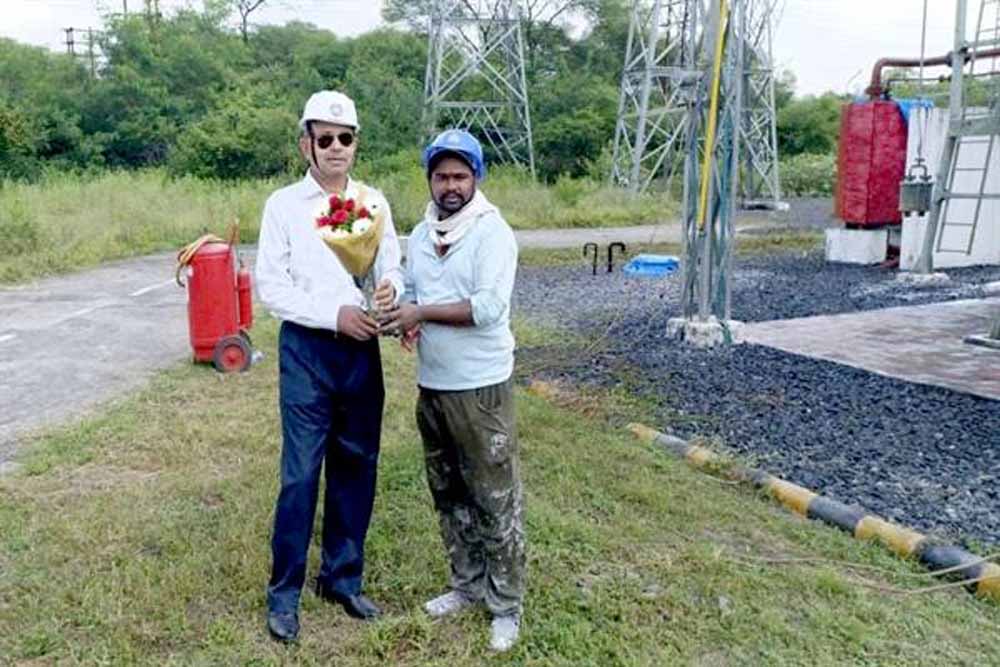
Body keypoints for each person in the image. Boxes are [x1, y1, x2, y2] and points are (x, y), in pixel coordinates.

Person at [255, 90, 403, 642]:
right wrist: (332, 315)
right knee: (300, 474)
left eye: (345, 138)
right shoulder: (284, 206)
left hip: (360, 351)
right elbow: (272, 287)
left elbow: (392, 265)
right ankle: (284, 594)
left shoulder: (371, 202)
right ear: (306, 145)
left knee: (357, 464)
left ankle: (342, 578)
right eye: (325, 138)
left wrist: (390, 290)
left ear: (355, 144)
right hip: (307, 352)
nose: (336, 147)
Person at [380, 129, 525, 653]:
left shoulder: (492, 233)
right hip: (433, 386)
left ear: (476, 177)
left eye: (460, 176)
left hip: (480, 389)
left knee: (494, 498)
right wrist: (404, 317)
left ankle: (505, 606)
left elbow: (487, 307)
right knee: (449, 495)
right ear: (430, 179)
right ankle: (466, 586)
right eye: (441, 176)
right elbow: (417, 291)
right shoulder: (423, 234)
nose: (450, 186)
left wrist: (420, 312)